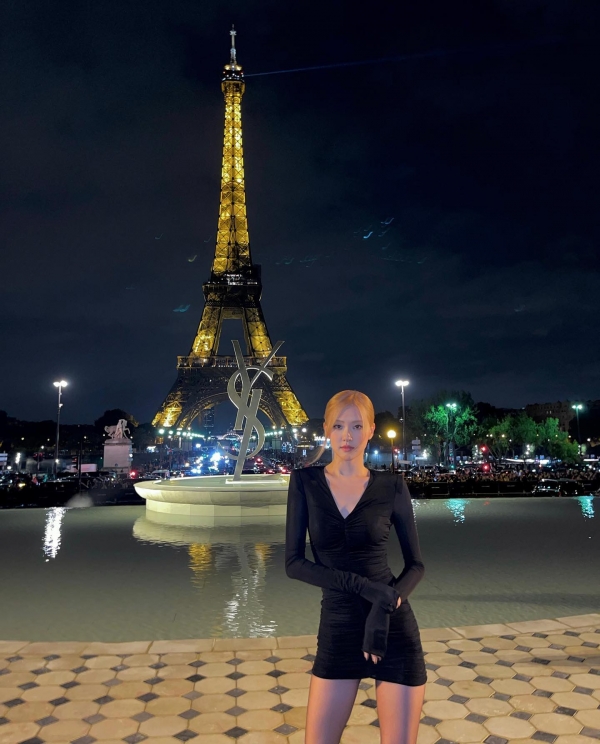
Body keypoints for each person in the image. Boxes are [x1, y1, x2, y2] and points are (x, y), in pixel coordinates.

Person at [285, 390, 426, 744]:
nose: (347, 435)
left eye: (356, 426)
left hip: (392, 627)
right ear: (326, 430)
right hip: (339, 626)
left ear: (371, 430)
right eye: (338, 426)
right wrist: (369, 591)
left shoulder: (392, 486)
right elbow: (294, 564)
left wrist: (386, 606)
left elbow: (416, 565)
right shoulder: (305, 483)